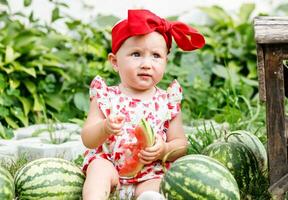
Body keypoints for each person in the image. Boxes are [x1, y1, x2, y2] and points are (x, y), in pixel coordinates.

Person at [81, 9, 205, 200]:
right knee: (98, 170)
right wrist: (104, 128)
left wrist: (163, 150)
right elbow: (88, 139)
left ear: (165, 61)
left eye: (156, 56)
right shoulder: (105, 97)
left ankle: (148, 196)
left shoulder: (168, 102)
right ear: (115, 62)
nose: (147, 64)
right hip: (110, 165)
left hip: (149, 172)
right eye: (136, 54)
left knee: (156, 186)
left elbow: (181, 145)